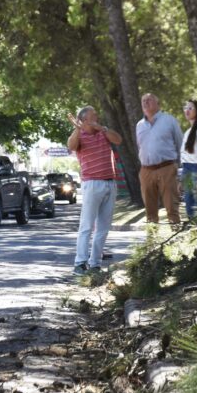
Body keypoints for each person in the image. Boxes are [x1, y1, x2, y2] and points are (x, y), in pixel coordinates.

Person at [67, 106, 123, 275]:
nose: (97, 118)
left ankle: (95, 263)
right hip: (92, 184)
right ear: (84, 120)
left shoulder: (103, 133)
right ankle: (80, 262)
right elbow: (71, 145)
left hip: (109, 183)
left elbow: (118, 140)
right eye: (93, 116)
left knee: (103, 227)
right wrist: (77, 129)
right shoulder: (80, 136)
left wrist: (103, 129)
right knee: (87, 225)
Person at [136, 93, 183, 225]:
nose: (145, 103)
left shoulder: (169, 120)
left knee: (171, 206)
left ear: (158, 104)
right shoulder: (139, 125)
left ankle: (176, 236)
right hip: (146, 170)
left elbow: (180, 144)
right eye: (143, 101)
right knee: (150, 211)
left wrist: (179, 168)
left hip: (166, 168)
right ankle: (152, 242)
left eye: (149, 100)